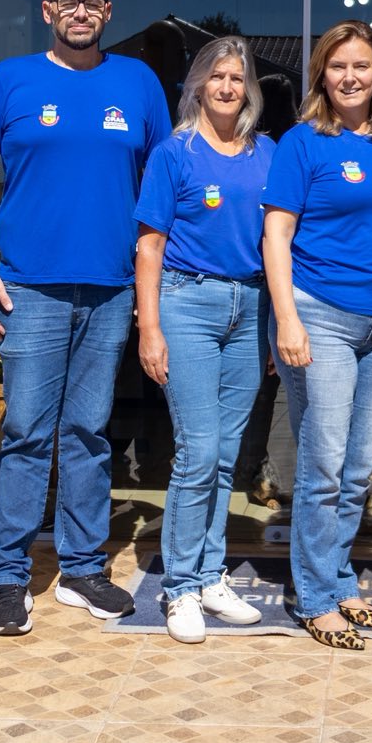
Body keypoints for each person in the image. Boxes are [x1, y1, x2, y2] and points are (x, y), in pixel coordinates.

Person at [0, 0, 170, 634]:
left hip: (112, 287)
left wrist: (151, 282)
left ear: (107, 12)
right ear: (47, 10)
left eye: (91, 3)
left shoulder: (138, 83)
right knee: (26, 432)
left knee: (88, 433)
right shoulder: (10, 81)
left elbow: (161, 184)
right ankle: (9, 576)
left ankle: (82, 568)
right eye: (68, 3)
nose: (79, 12)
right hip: (30, 286)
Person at [262, 20, 372, 651]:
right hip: (318, 315)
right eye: (337, 66)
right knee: (323, 466)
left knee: (356, 470)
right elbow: (275, 236)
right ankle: (316, 597)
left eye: (361, 66)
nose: (350, 77)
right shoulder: (302, 143)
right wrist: (287, 320)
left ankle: (338, 578)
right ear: (321, 75)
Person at [133, 36, 275, 643]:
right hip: (187, 303)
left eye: (237, 78)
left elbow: (279, 241)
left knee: (225, 454)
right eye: (216, 76)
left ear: (249, 90)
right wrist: (149, 327)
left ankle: (211, 575)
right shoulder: (175, 153)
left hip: (252, 306)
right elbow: (149, 247)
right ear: (197, 85)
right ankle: (180, 587)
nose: (226, 87)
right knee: (198, 451)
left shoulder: (266, 153)